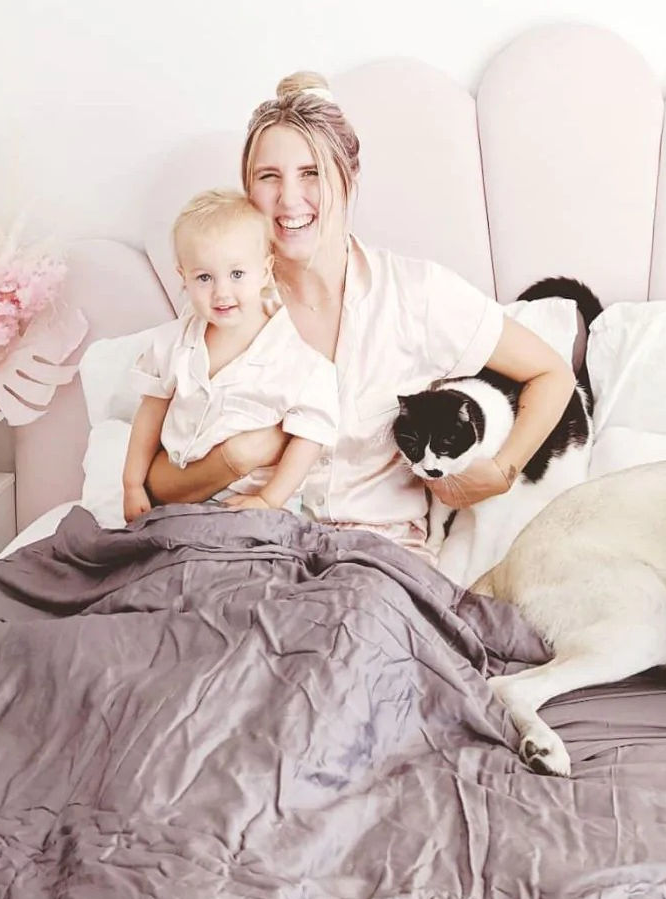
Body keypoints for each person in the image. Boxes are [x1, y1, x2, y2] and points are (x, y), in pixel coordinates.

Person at [144, 72, 575, 566]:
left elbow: (552, 373)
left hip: (375, 561)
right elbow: (157, 482)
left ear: (348, 178)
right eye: (269, 177)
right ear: (248, 191)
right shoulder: (223, 306)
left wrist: (500, 470)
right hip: (244, 550)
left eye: (312, 173)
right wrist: (234, 459)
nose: (289, 200)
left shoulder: (417, 296)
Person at [121, 188, 338, 522]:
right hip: (179, 504)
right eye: (205, 277)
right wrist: (132, 485)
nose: (222, 292)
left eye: (237, 274)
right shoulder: (171, 344)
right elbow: (150, 412)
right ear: (184, 278)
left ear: (265, 271)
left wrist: (269, 498)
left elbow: (309, 438)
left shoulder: (296, 358)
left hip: (257, 509)